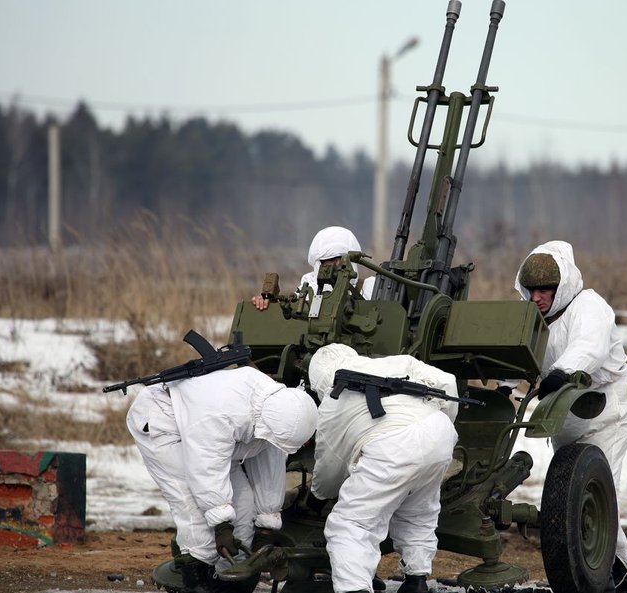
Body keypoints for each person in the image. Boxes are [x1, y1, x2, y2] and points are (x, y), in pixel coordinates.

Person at [514, 240, 627, 593]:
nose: (537, 297)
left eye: (546, 290)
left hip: (607, 407)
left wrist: (560, 371)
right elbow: (517, 356)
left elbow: (588, 347)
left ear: (562, 287)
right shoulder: (531, 316)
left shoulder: (589, 307)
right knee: (570, 496)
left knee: (597, 494)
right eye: (532, 290)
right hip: (565, 413)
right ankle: (592, 579)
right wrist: (502, 386)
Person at [126, 365, 318, 593]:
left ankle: (228, 584)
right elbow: (206, 467)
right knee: (196, 513)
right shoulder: (222, 412)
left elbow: (269, 463)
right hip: (165, 420)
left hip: (214, 440)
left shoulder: (280, 412)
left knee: (243, 505)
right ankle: (196, 581)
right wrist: (221, 525)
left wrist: (266, 526)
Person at [307, 343, 459, 593]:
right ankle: (416, 581)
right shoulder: (396, 362)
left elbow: (330, 462)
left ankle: (354, 588)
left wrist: (321, 494)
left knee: (351, 524)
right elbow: (447, 383)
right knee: (419, 512)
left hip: (394, 447)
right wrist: (442, 424)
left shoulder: (333, 401)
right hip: (438, 432)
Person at [252, 226, 374, 310]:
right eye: (329, 260)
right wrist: (268, 304)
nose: (336, 264)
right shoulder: (310, 290)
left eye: (340, 258)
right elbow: (288, 315)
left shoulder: (370, 290)